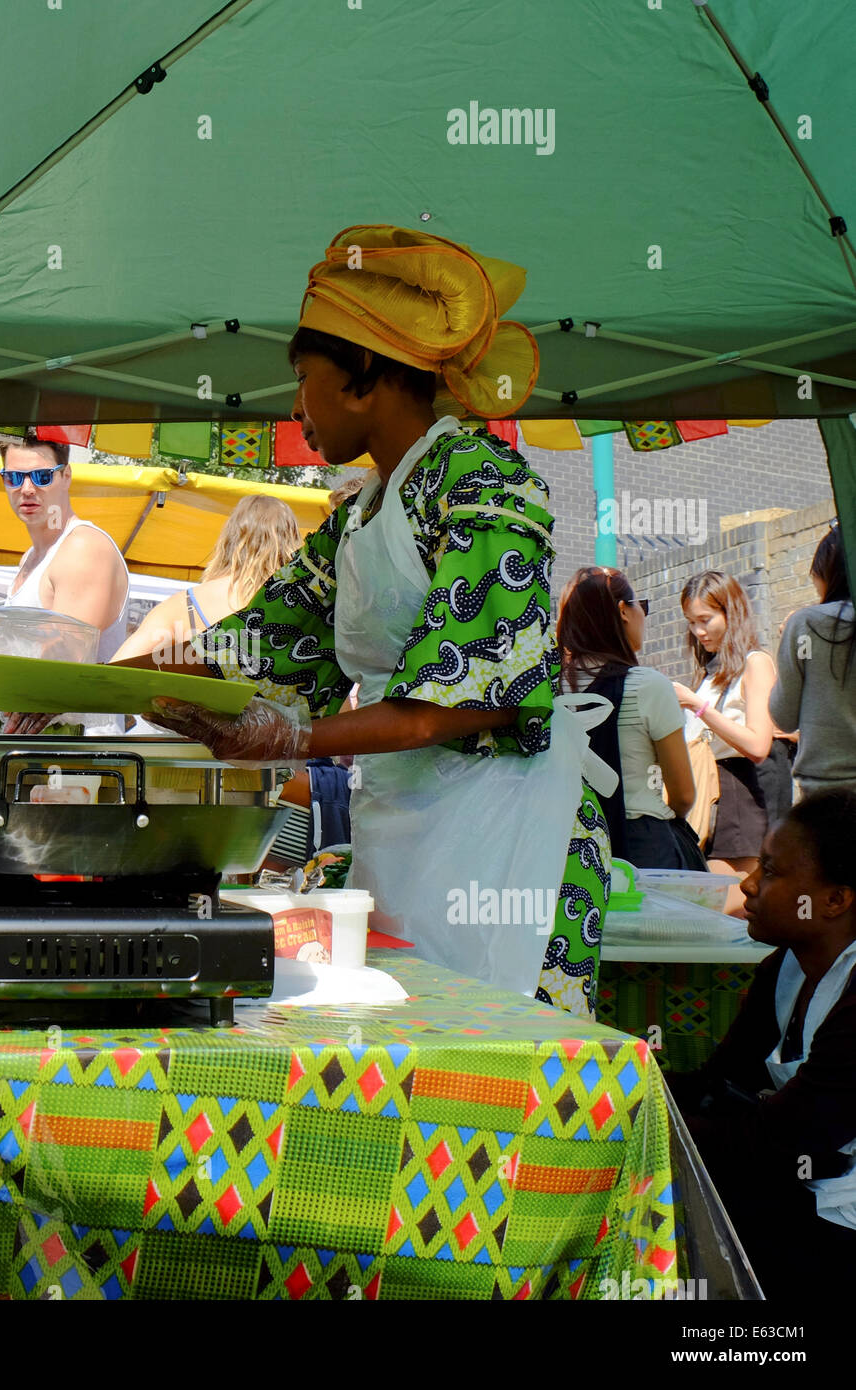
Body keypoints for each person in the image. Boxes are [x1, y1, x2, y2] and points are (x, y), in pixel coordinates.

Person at [120, 225, 616, 1019]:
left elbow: (470, 696)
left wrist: (292, 739)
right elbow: (256, 648)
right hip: (406, 823)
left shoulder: (486, 481)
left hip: (510, 834)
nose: (297, 410)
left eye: (304, 381)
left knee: (500, 1074)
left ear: (361, 381)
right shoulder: (355, 521)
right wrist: (90, 686)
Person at [667, 790, 856, 1297]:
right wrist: (626, 1089)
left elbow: (787, 1135)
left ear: (835, 899)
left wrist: (659, 1131)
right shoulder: (787, 969)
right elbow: (720, 1081)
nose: (748, 885)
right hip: (808, 1184)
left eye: (771, 872)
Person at [557, 566, 702, 869]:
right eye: (642, 606)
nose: (643, 616)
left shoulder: (549, 689)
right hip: (641, 842)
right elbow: (683, 794)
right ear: (623, 611)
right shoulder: (648, 685)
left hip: (563, 844)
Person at [673, 572, 780, 916]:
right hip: (709, 796)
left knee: (736, 912)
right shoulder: (711, 673)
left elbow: (759, 744)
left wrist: (697, 706)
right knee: (716, 911)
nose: (698, 631)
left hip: (740, 794)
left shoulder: (755, 662)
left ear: (731, 613)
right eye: (691, 622)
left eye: (705, 620)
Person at [111, 495, 302, 665]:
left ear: (228, 539)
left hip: (199, 703)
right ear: (292, 542)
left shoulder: (183, 606)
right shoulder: (301, 604)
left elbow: (117, 669)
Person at [1, 433, 129, 658]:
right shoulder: (31, 557)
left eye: (42, 476)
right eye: (14, 477)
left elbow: (64, 660)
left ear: (66, 476)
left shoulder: (83, 547)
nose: (27, 488)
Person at [770, 526, 856, 799]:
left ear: (827, 573)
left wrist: (787, 646)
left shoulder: (806, 623)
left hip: (824, 793)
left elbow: (783, 717)